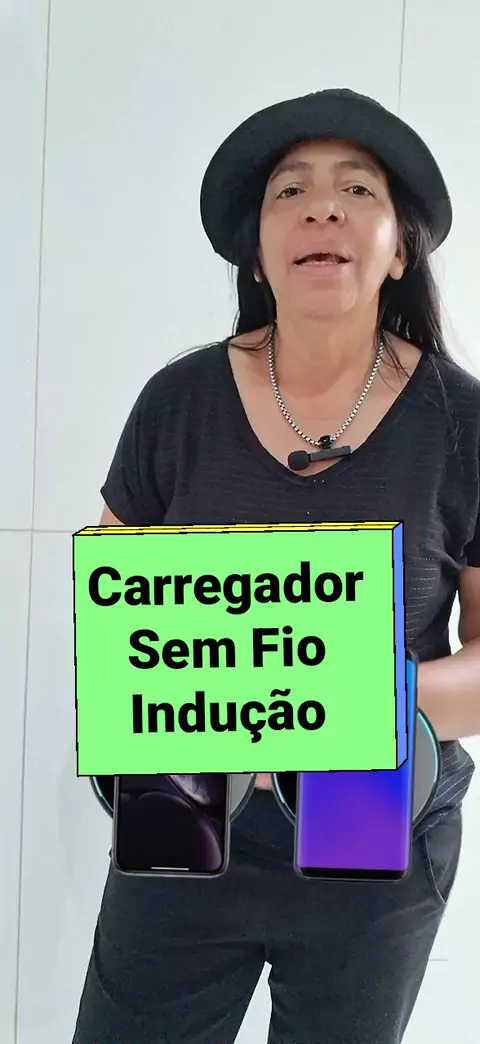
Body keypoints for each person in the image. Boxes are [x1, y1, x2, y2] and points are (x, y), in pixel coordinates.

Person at [73, 88, 480, 1044]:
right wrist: (198, 693)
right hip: (185, 805)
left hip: (372, 813)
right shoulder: (177, 402)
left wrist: (340, 695)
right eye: (290, 191)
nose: (322, 207)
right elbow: (115, 629)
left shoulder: (464, 422)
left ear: (401, 247)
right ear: (256, 254)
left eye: (357, 190)